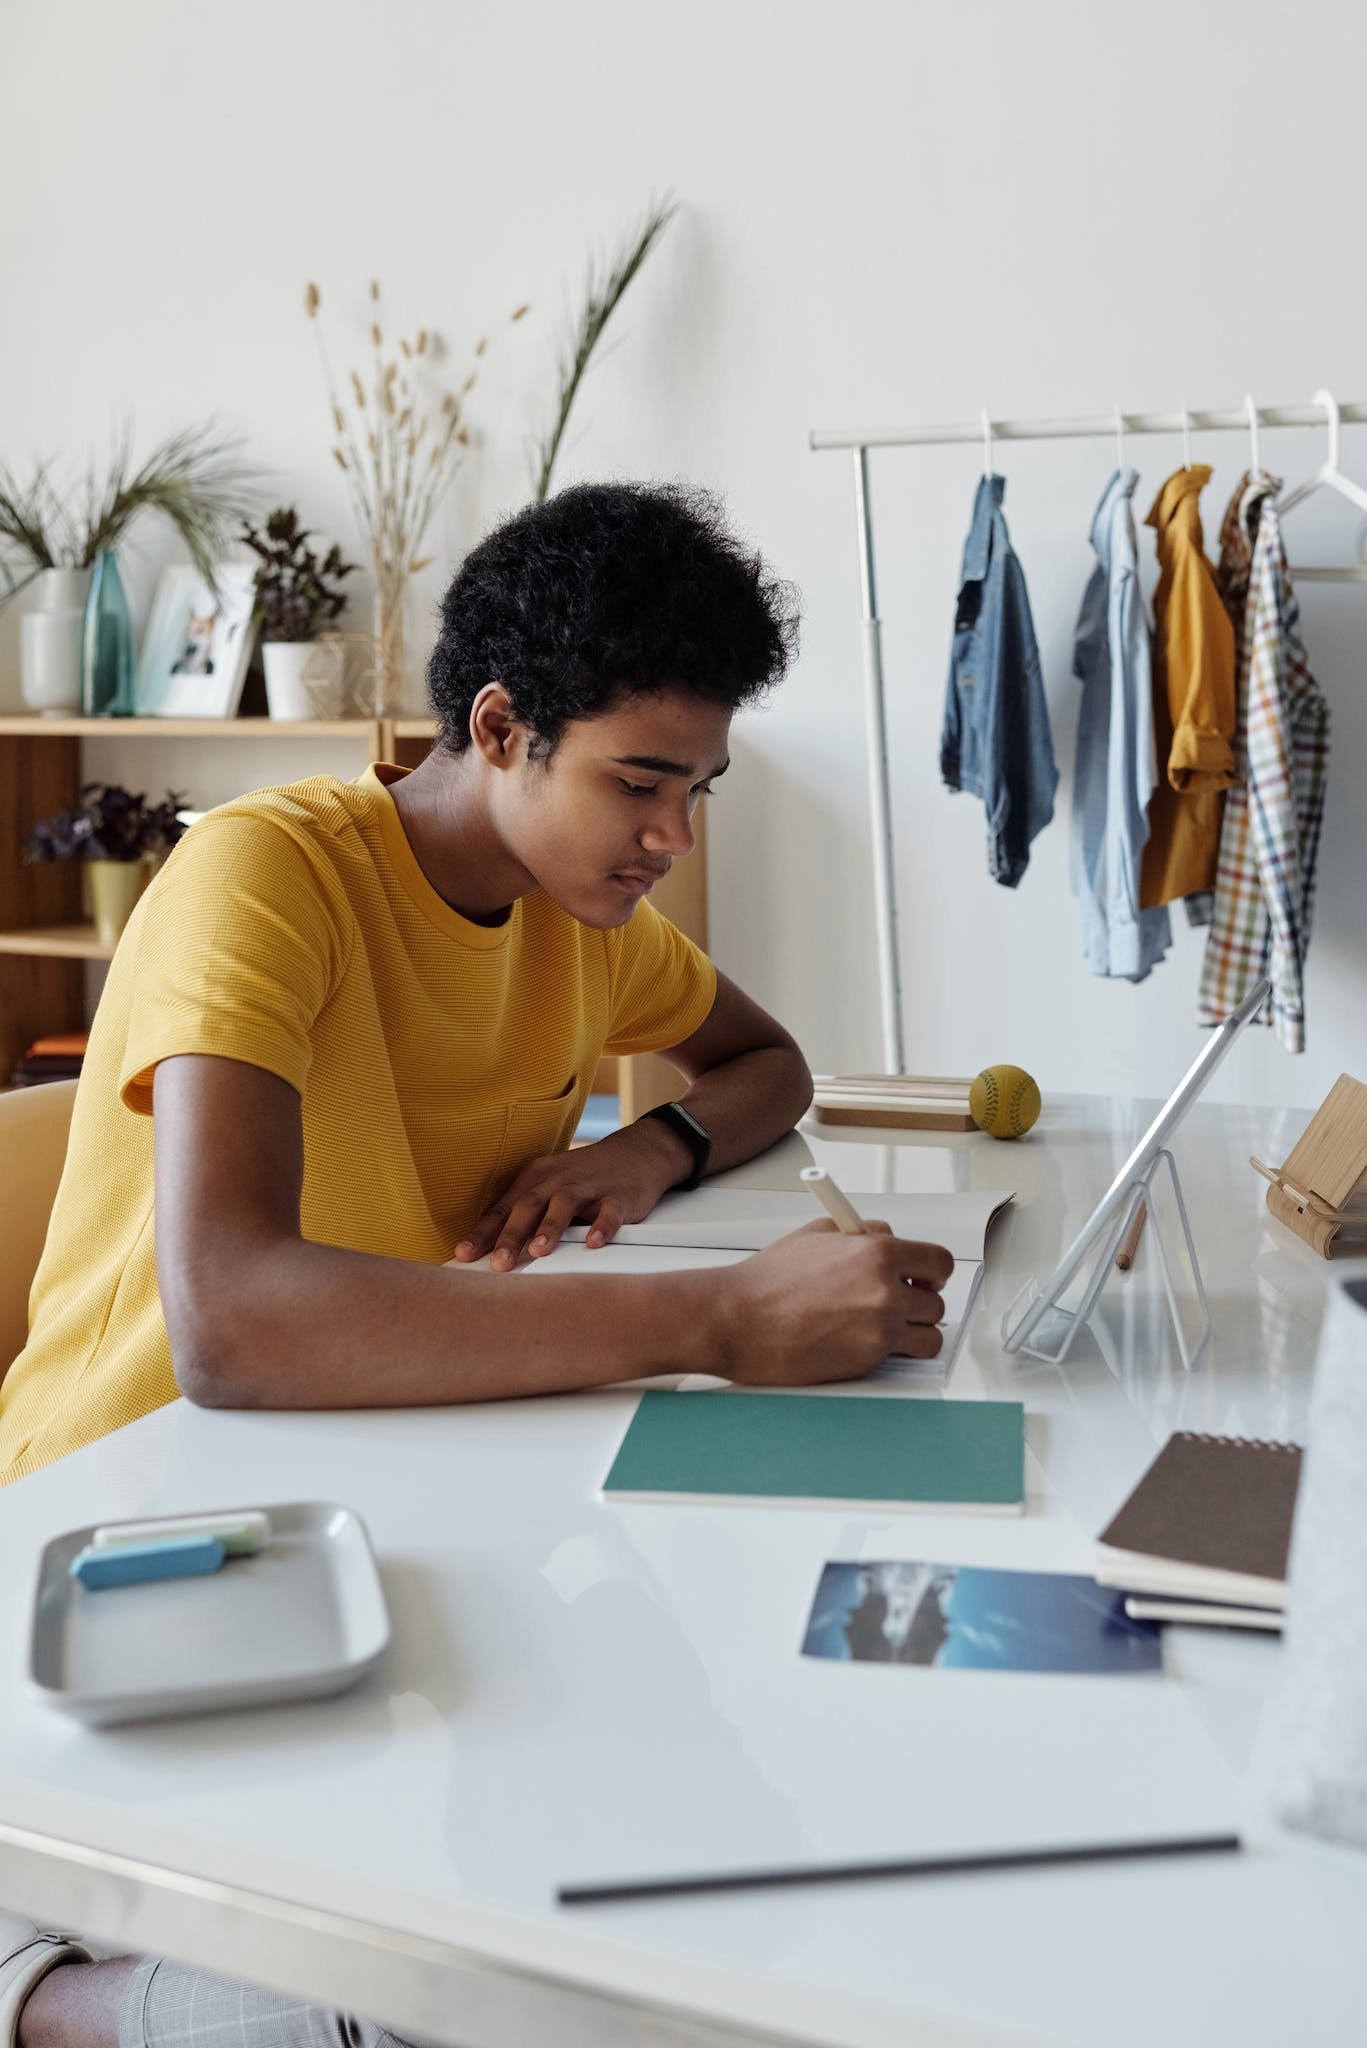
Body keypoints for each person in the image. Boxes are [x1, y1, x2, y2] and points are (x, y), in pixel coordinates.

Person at [0, 481, 950, 2048]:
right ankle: (48, 1985)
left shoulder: (580, 917)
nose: (670, 838)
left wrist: (642, 1150)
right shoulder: (264, 876)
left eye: (698, 790)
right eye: (641, 782)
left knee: (656, 1883)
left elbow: (765, 1062)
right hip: (132, 1533)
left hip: (366, 1486)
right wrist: (714, 1314)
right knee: (443, 2000)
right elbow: (232, 1321)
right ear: (502, 728)